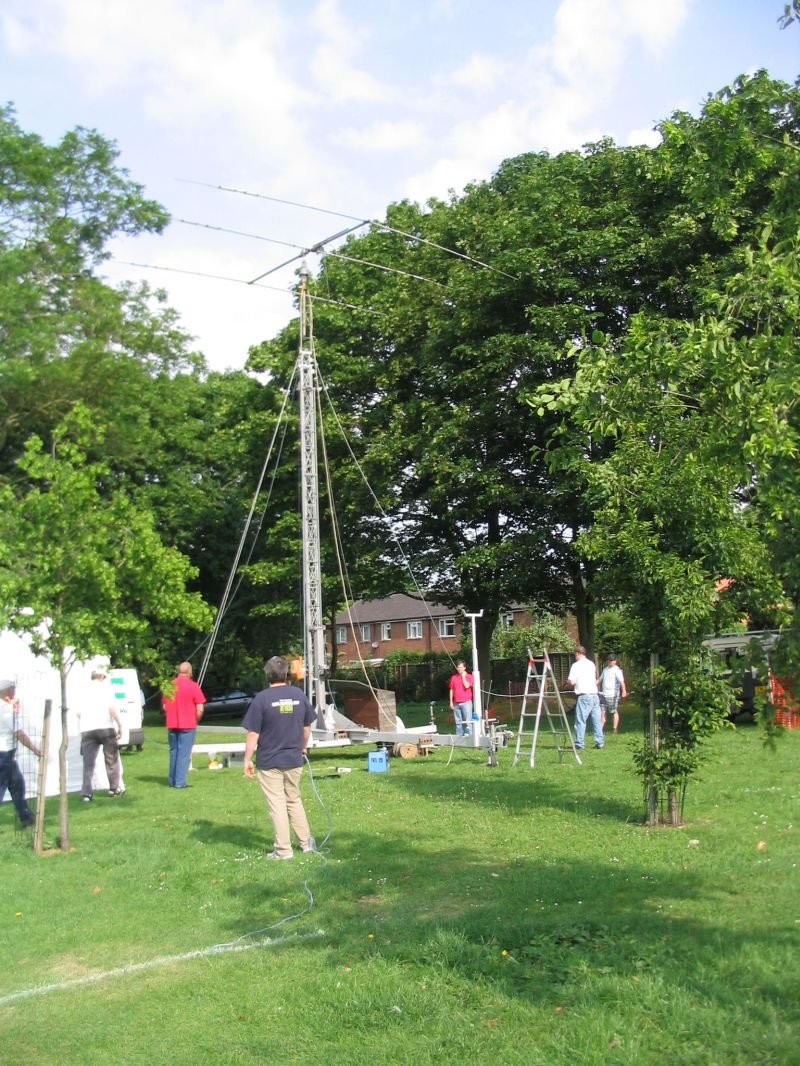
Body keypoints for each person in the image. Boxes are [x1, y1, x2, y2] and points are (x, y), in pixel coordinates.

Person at [242, 655, 316, 860]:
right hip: (294, 758)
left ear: (267, 675)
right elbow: (307, 727)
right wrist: (303, 747)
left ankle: (283, 851)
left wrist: (247, 759)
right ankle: (306, 844)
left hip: (269, 761)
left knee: (277, 804)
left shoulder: (262, 699)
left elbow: (253, 733)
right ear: (286, 674)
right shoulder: (298, 694)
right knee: (294, 800)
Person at [0, 678, 41, 827]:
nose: (15, 692)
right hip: (4, 754)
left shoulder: (5, 708)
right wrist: (36, 750)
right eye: (13, 689)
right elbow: (19, 734)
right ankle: (26, 817)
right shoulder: (5, 711)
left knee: (17, 784)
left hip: (7, 755)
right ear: (8, 692)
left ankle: (26, 817)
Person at [78, 666, 123, 802]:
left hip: (87, 729)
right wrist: (120, 724)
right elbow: (111, 709)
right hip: (105, 727)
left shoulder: (82, 689)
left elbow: (78, 713)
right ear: (103, 677)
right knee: (111, 759)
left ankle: (86, 793)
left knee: (88, 763)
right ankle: (114, 788)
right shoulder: (106, 688)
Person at [162, 661, 206, 788]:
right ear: (190, 672)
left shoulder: (169, 686)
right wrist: (196, 720)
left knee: (174, 752)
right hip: (188, 724)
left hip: (172, 724)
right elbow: (200, 709)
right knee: (184, 754)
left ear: (178, 671)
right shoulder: (193, 686)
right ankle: (180, 782)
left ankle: (172, 780)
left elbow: (164, 706)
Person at [566, 645, 603, 750]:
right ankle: (599, 742)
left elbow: (572, 682)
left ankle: (579, 742)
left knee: (580, 720)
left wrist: (568, 682)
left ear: (577, 653)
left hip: (584, 696)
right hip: (594, 695)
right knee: (597, 720)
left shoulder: (576, 665)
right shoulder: (591, 664)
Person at [599, 653, 627, 735]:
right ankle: (600, 730)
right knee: (602, 712)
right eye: (609, 660)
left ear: (615, 661)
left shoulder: (617, 670)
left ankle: (615, 729)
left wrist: (624, 691)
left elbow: (622, 682)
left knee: (614, 711)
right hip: (603, 694)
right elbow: (599, 680)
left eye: (611, 660)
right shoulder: (605, 670)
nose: (609, 662)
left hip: (612, 695)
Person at [448, 659, 474, 736]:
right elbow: (451, 690)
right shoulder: (454, 677)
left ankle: (469, 737)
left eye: (461, 667)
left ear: (464, 668)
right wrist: (451, 702)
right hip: (456, 703)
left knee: (467, 722)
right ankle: (459, 737)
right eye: (458, 667)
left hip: (466, 702)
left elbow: (467, 686)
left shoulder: (469, 677)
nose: (459, 669)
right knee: (458, 722)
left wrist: (463, 677)